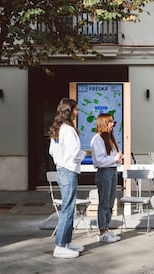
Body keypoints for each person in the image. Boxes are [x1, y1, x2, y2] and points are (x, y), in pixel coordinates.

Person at [48, 98, 86, 259]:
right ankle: (60, 246)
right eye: (76, 109)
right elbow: (75, 152)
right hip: (68, 171)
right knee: (68, 209)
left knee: (68, 208)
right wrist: (83, 155)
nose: (78, 112)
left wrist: (62, 159)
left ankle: (67, 242)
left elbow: (52, 151)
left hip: (62, 170)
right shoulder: (68, 130)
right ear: (69, 111)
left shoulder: (58, 129)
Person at [90, 113, 123, 243]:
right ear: (104, 123)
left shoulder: (110, 138)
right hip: (104, 172)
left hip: (112, 171)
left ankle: (107, 228)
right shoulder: (97, 139)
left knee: (110, 201)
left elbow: (113, 158)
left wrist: (118, 159)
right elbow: (99, 160)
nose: (113, 125)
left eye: (113, 122)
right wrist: (114, 159)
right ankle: (102, 230)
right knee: (104, 202)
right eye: (110, 122)